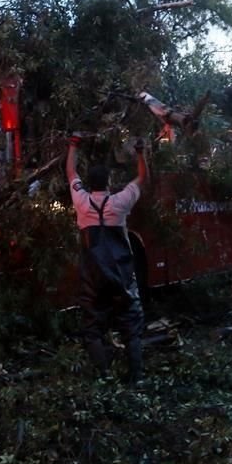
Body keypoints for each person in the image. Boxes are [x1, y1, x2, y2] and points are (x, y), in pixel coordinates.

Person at [66, 133, 147, 384]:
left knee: (92, 329)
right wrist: (141, 153)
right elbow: (142, 178)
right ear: (109, 182)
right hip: (121, 275)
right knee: (131, 327)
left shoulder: (81, 201)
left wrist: (73, 145)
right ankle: (136, 378)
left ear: (89, 184)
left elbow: (70, 172)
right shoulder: (120, 202)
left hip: (93, 276)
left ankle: (104, 377)